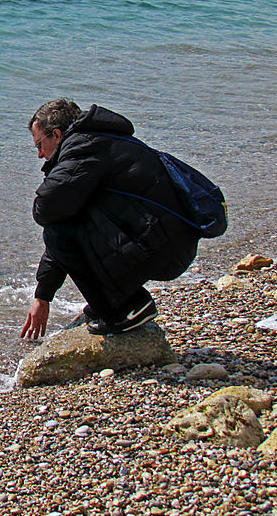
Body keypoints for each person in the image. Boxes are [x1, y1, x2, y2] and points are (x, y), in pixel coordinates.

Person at [21, 99, 199, 340]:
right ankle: (120, 301)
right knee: (67, 219)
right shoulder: (99, 139)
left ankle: (126, 308)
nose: (40, 154)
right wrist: (43, 295)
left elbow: (46, 210)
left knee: (58, 229)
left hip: (162, 246)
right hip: (169, 242)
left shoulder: (84, 148)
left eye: (40, 145)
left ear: (57, 134)